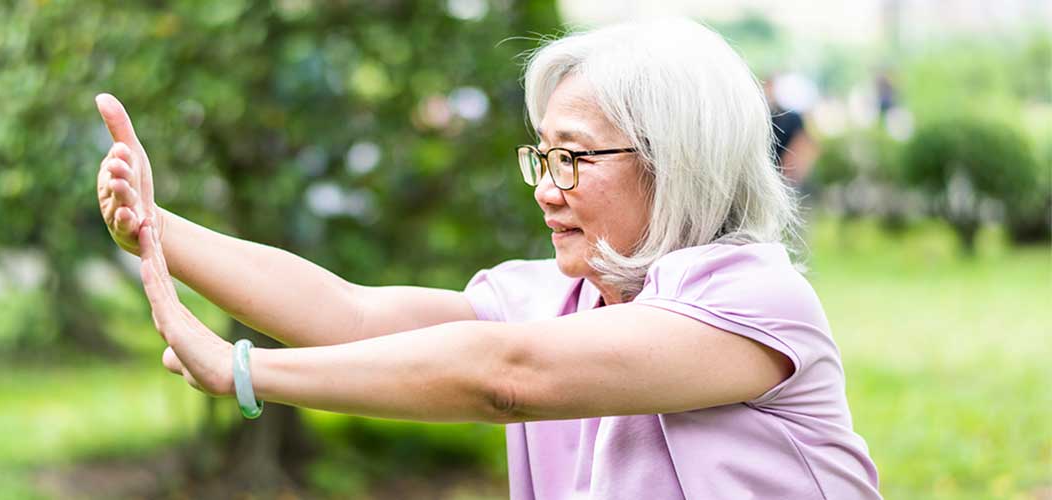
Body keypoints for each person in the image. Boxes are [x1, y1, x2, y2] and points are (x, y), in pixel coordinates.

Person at [94, 18, 879, 499]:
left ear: (676, 160)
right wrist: (157, 227)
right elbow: (351, 314)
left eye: (574, 157)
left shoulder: (755, 300)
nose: (547, 188)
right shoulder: (561, 300)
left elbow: (508, 377)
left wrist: (243, 371)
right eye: (542, 157)